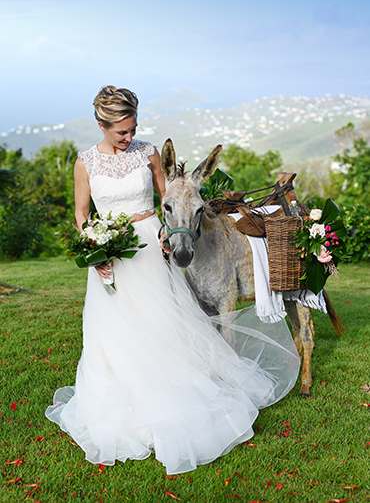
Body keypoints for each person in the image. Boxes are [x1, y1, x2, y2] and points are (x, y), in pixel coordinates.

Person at [45, 85, 300, 475]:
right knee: (112, 332)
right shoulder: (85, 163)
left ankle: (175, 395)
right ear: (101, 124)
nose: (129, 137)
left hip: (150, 247)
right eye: (121, 132)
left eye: (132, 128)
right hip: (111, 252)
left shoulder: (148, 153)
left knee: (162, 325)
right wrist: (94, 248)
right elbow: (81, 214)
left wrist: (168, 235)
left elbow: (171, 201)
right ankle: (126, 406)